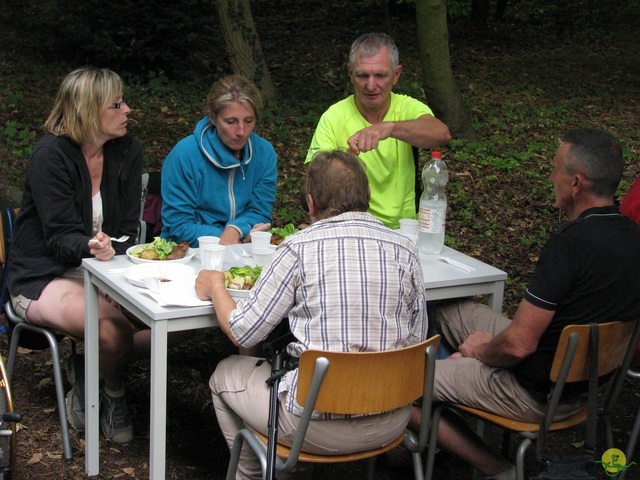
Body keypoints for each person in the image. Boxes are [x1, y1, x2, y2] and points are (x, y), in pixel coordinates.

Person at [408, 128, 640, 479]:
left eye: (555, 169)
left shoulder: (570, 244)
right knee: (449, 307)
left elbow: (517, 346)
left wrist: (480, 351)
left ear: (576, 183)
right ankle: (447, 382)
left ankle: (499, 469)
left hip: (534, 392)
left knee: (400, 382)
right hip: (585, 385)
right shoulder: (633, 238)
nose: (550, 177)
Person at [195, 150, 428, 479]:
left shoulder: (298, 248)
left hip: (314, 426)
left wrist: (216, 286)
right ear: (367, 196)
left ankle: (254, 473)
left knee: (224, 374)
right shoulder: (405, 249)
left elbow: (244, 332)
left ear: (311, 203)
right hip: (393, 420)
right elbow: (415, 342)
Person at [7, 67, 147, 445]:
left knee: (177, 320)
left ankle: (91, 365)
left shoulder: (127, 151)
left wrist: (110, 255)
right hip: (43, 275)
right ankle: (113, 393)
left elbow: (129, 227)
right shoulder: (50, 156)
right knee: (112, 329)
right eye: (116, 104)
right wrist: (90, 246)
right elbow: (58, 238)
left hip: (105, 271)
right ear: (88, 110)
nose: (127, 109)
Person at [305, 32, 451, 229]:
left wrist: (389, 128)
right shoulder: (334, 116)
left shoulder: (407, 108)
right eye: (362, 75)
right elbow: (312, 181)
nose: (371, 85)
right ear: (350, 73)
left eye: (380, 75)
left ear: (396, 75)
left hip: (405, 229)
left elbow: (441, 134)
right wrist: (343, 164)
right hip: (351, 227)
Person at [161, 75, 277, 247]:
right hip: (187, 251)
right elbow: (178, 225)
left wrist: (236, 229)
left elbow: (261, 212)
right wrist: (228, 236)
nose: (241, 131)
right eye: (231, 122)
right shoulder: (184, 155)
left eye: (249, 121)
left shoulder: (264, 153)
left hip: (242, 249)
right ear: (213, 118)